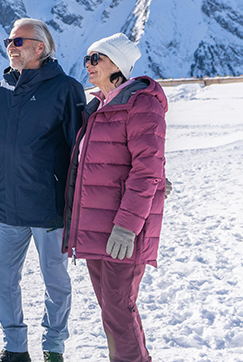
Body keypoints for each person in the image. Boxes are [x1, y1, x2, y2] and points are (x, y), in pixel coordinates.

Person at [0, 18, 85, 362]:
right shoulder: (3, 90)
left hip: (47, 207)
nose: (11, 47)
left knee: (55, 280)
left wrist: (74, 205)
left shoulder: (65, 88)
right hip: (7, 205)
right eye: (8, 41)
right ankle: (15, 347)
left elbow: (77, 151)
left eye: (18, 41)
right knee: (3, 277)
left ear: (40, 48)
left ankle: (54, 345)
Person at [64, 34, 167, 362]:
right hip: (97, 229)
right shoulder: (98, 106)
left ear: (117, 66)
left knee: (119, 312)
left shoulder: (141, 103)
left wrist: (127, 226)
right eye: (87, 59)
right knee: (112, 312)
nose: (88, 65)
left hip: (122, 231)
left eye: (97, 59)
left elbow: (147, 169)